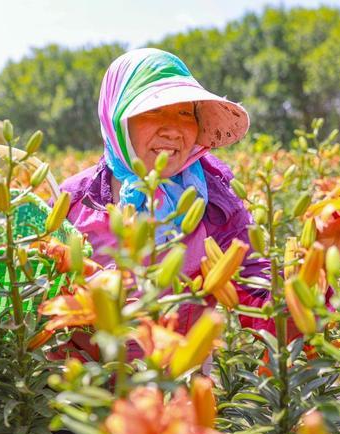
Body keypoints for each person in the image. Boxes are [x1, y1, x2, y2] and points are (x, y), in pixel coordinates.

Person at [60, 48, 269, 336]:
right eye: (153, 110)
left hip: (179, 374)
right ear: (116, 118)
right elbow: (42, 298)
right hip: (82, 377)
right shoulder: (73, 200)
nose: (173, 130)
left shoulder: (215, 200)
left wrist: (318, 274)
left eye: (185, 112)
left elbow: (261, 300)